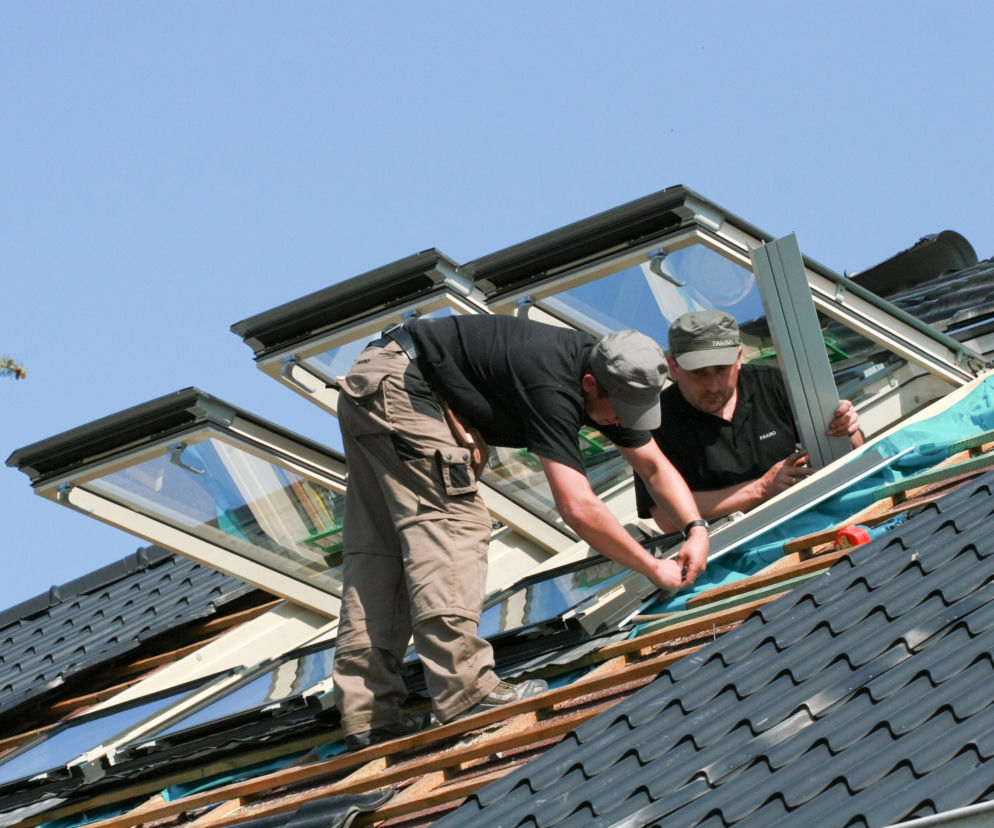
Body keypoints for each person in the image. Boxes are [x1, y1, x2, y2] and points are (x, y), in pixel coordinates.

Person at [332, 314, 710, 750]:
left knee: (381, 548)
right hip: (406, 387)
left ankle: (369, 711)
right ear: (590, 384)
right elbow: (577, 506)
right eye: (620, 412)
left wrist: (695, 528)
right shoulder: (552, 386)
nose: (624, 423)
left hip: (378, 383)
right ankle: (466, 691)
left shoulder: (610, 374)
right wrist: (650, 566)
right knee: (455, 523)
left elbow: (653, 465)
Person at [634, 310, 864, 532]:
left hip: (811, 512)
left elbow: (856, 450)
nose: (713, 386)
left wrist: (845, 427)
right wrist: (760, 490)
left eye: (721, 369)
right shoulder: (655, 423)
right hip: (730, 545)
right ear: (673, 367)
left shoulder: (773, 383)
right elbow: (666, 518)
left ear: (738, 358)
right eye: (699, 373)